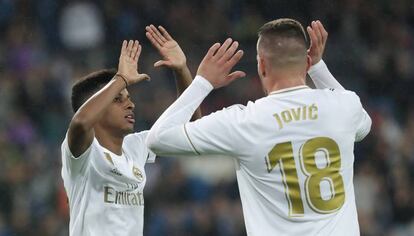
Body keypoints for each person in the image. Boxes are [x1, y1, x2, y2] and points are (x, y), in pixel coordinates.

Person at [146, 19, 371, 235]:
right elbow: (364, 126)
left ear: (262, 65)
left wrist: (203, 82)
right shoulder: (345, 105)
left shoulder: (244, 122)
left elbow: (158, 139)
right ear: (307, 63)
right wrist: (318, 68)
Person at [60, 25, 198, 236]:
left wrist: (181, 70)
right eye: (117, 99)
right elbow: (80, 123)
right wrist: (121, 78)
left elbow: (192, 127)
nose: (130, 105)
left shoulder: (136, 147)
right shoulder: (81, 156)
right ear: (95, 106)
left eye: (129, 98)